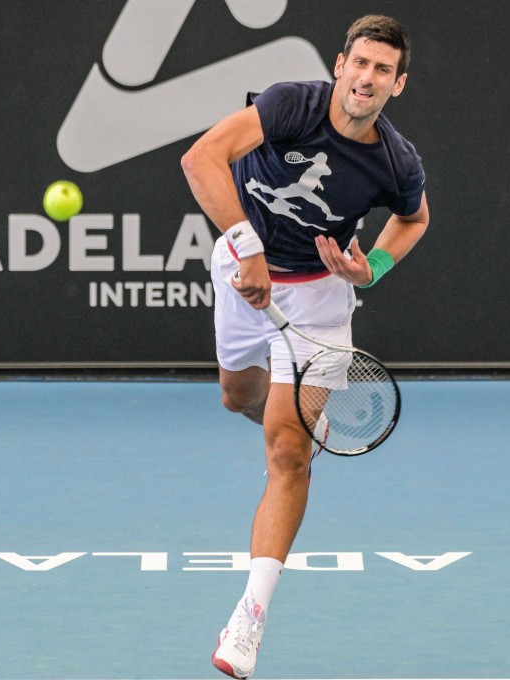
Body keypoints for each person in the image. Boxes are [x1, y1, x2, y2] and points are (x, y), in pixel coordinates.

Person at [180, 14, 430, 679]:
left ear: (398, 84)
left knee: (288, 450)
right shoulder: (292, 104)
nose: (367, 78)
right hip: (244, 272)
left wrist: (371, 269)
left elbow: (414, 219)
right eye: (360, 63)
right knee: (238, 397)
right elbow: (201, 158)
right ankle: (286, 413)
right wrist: (248, 248)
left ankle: (249, 618)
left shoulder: (396, 161)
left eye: (383, 70)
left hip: (320, 298)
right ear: (340, 65)